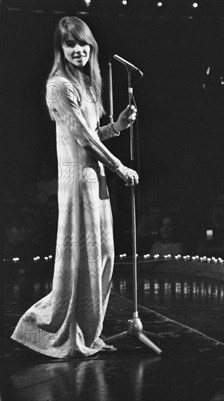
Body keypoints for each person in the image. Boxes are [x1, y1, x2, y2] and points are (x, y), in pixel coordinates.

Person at [11, 16, 139, 358]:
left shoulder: (87, 83)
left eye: (83, 44)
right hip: (78, 180)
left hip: (94, 177)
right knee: (83, 258)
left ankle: (88, 331)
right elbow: (81, 137)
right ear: (61, 49)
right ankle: (46, 327)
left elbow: (94, 132)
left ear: (91, 46)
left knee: (104, 256)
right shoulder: (59, 86)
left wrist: (117, 125)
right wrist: (119, 166)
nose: (78, 50)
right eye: (71, 44)